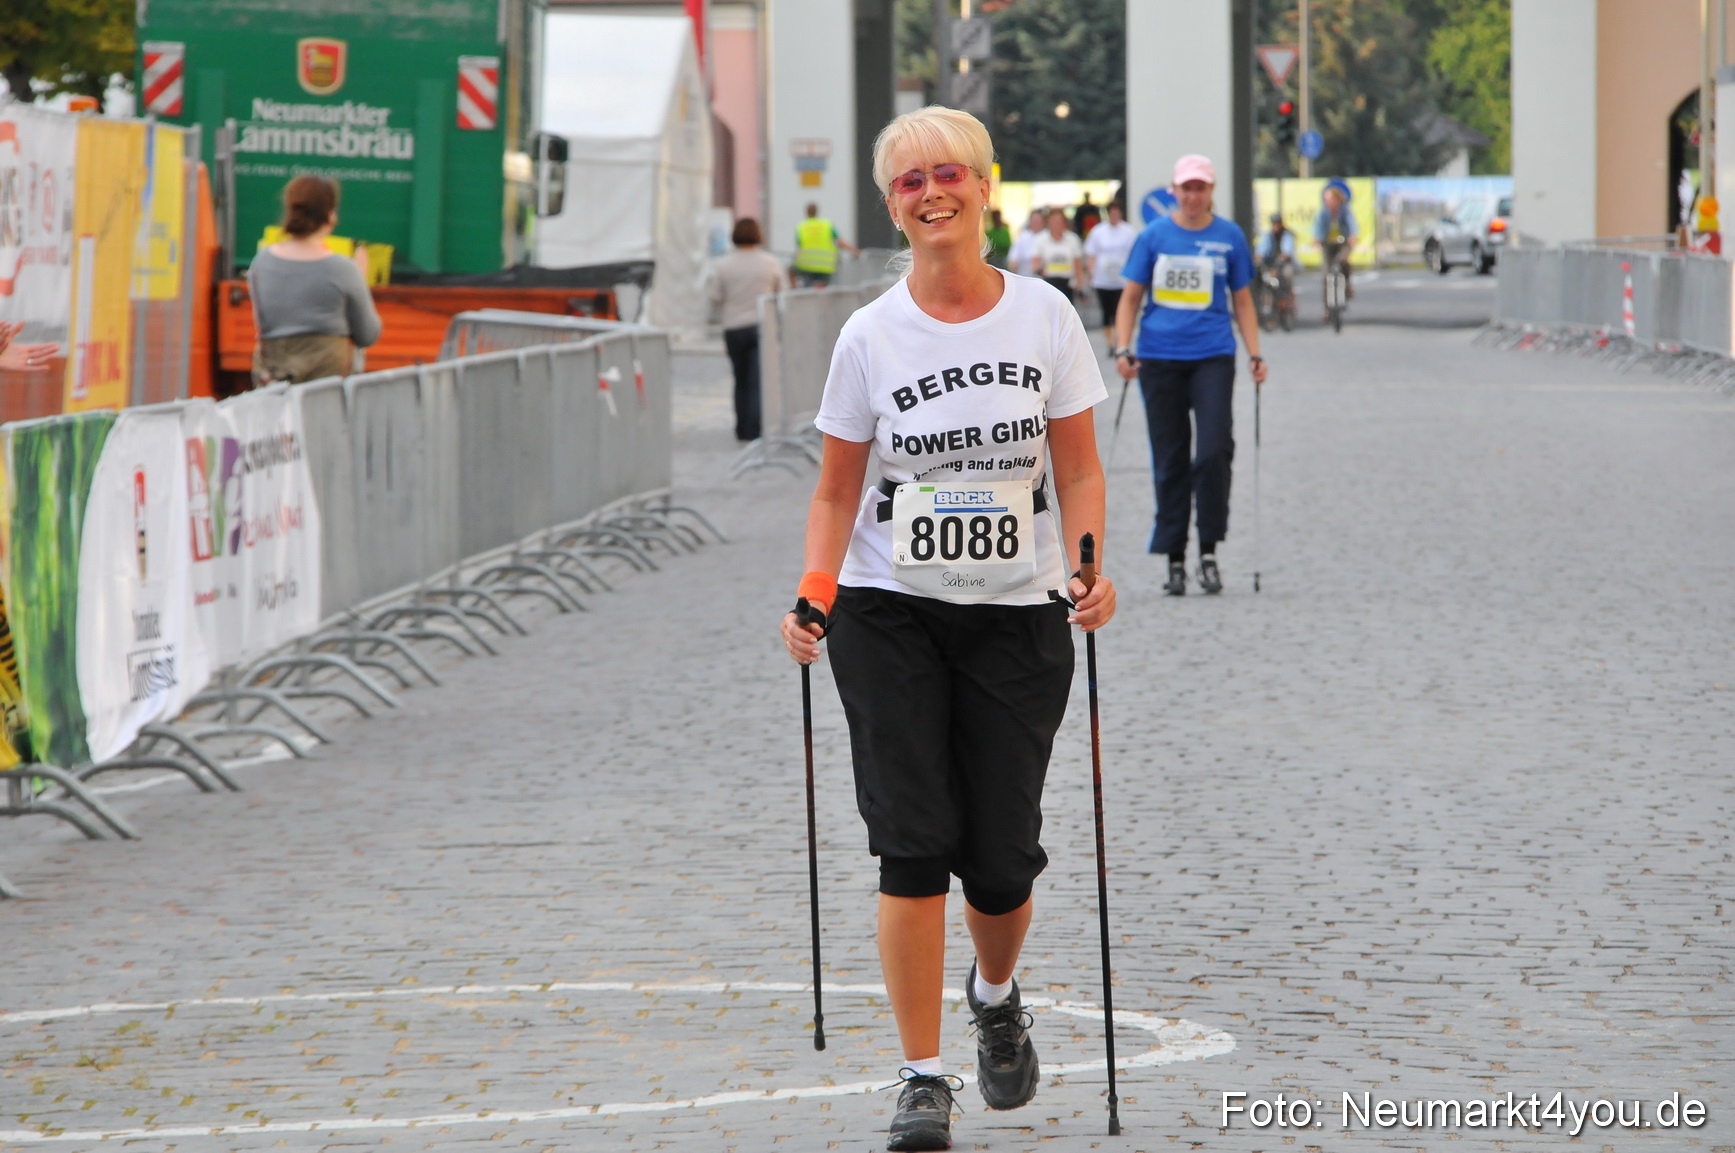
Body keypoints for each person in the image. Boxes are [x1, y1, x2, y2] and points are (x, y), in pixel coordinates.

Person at [780, 104, 1114, 1152]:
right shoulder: (868, 336)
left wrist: (1087, 567)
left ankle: (996, 993)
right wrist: (814, 591)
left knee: (1002, 858)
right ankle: (922, 1077)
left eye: (949, 174)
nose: (932, 193)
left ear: (984, 186)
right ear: (893, 206)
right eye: (910, 181)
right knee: (912, 841)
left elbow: (1077, 468)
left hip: (1016, 611)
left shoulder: (1045, 317)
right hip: (888, 611)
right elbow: (835, 491)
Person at [1112, 153, 1267, 596]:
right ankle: (1175, 557)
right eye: (1186, 188)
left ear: (1210, 191)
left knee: (1214, 451)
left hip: (1212, 355)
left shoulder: (1229, 236)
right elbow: (1130, 298)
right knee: (1170, 457)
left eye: (1200, 187)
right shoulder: (1154, 236)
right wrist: (1123, 347)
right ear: (1174, 190)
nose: (1193, 195)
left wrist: (1255, 353)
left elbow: (1242, 301)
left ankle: (1209, 550)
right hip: (1159, 357)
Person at [248, 176, 381, 386]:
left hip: (275, 384)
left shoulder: (262, 262)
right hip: (326, 390)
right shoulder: (343, 269)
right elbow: (368, 335)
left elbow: (263, 324)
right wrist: (360, 280)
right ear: (330, 216)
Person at [708, 217, 785, 442]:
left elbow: (715, 296)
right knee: (757, 379)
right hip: (761, 325)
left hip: (734, 327)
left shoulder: (722, 265)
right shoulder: (769, 263)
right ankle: (755, 428)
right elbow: (781, 293)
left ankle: (742, 427)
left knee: (740, 378)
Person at [1083, 200, 1137, 347]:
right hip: (1103, 279)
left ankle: (1120, 340)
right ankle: (1109, 342)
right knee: (1106, 311)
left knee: (1119, 310)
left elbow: (1134, 253)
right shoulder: (1098, 231)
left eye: (1116, 212)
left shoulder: (1128, 231)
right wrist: (1092, 273)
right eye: (1112, 213)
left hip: (1121, 279)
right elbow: (1091, 254)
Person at [791, 202, 862, 288]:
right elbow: (840, 242)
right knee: (824, 289)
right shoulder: (827, 224)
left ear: (806, 212)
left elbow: (799, 246)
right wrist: (856, 251)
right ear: (817, 211)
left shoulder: (801, 226)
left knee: (792, 272)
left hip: (806, 266)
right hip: (826, 266)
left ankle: (795, 292)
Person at [1313, 180, 1358, 314]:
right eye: (1326, 200)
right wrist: (1317, 238)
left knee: (1343, 261)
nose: (1327, 202)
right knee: (1326, 274)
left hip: (1343, 242)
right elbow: (1318, 227)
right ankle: (1327, 309)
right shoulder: (1323, 212)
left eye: (1330, 199)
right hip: (1328, 244)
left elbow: (1352, 224)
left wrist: (1353, 236)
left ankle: (1347, 284)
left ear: (1337, 199)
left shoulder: (1345, 210)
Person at [1029, 208, 1084, 299]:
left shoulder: (1072, 239)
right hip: (1048, 283)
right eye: (1053, 221)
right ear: (1048, 222)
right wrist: (1040, 272)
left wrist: (1079, 285)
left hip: (1067, 283)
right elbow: (1035, 263)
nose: (1056, 224)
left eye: (1059, 221)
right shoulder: (1040, 239)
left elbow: (1077, 263)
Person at [1004, 208, 1046, 277]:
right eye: (1034, 220)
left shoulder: (1047, 236)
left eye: (1038, 221)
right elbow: (1013, 259)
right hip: (1024, 276)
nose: (1036, 223)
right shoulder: (1022, 237)